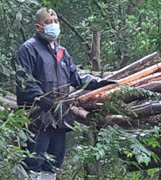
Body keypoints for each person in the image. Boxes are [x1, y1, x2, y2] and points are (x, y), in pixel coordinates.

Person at [15, 8, 114, 180]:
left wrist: (99, 82)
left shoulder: (62, 52)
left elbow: (75, 77)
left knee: (53, 162)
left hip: (60, 117)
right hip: (37, 117)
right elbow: (24, 79)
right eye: (48, 22)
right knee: (32, 161)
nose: (53, 25)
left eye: (55, 21)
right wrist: (41, 98)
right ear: (38, 27)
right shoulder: (28, 49)